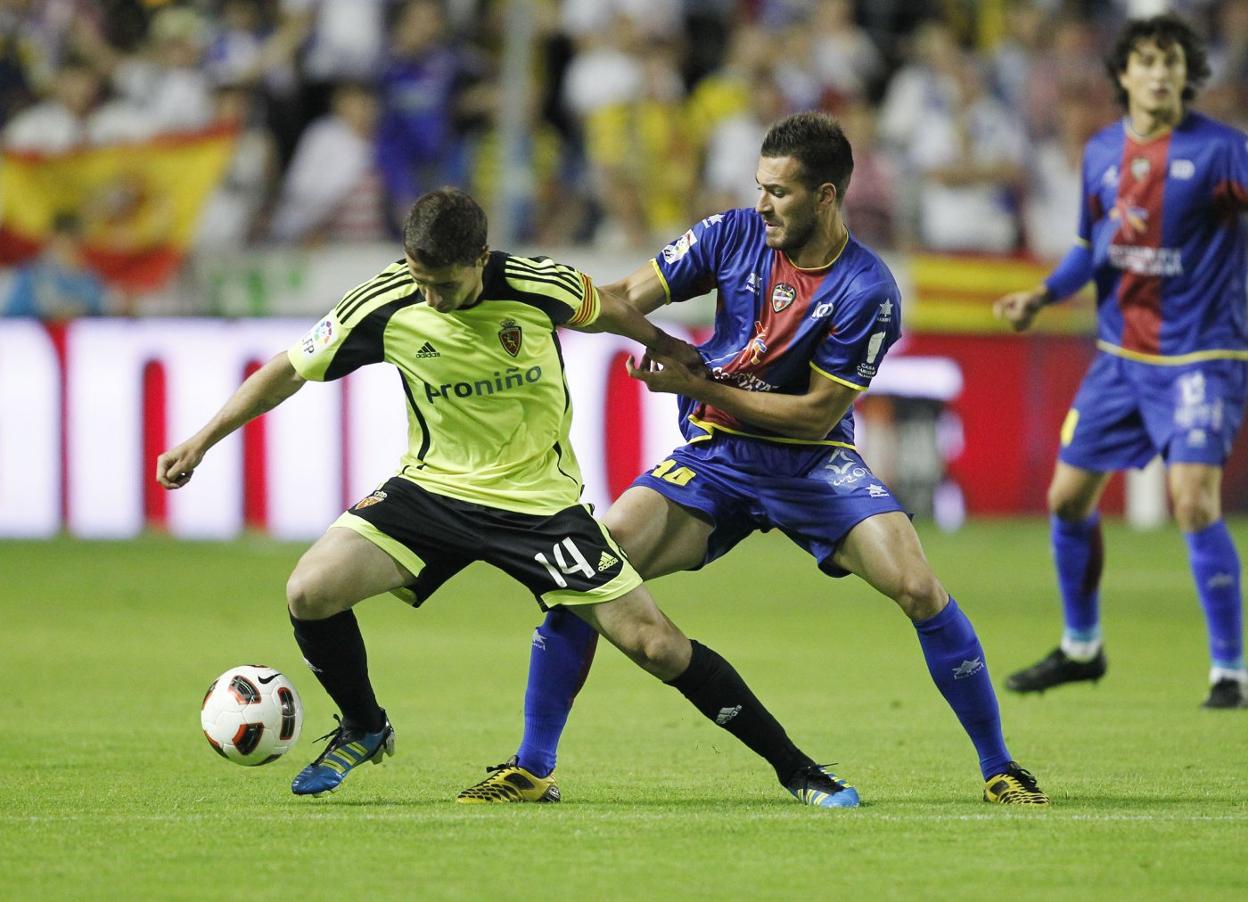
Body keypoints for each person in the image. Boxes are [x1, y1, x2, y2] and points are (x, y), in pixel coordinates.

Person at [156, 187, 857, 807]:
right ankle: (365, 726)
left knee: (656, 645)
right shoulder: (385, 302)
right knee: (310, 591)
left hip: (539, 505)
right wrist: (201, 440)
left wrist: (664, 343)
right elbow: (287, 370)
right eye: (421, 281)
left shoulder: (538, 285)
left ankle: (799, 771)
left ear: (481, 259)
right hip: (432, 491)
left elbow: (609, 308)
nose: (432, 298)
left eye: (445, 284)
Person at [454, 112, 1049, 806]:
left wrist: (700, 384)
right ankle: (532, 767)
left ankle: (1000, 768)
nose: (761, 203)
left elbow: (816, 414)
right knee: (590, 571)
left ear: (825, 196)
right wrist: (527, 304)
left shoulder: (867, 289)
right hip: (719, 456)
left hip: (812, 462)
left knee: (918, 587)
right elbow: (621, 297)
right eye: (759, 186)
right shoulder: (730, 234)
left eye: (779, 192)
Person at [994, 14, 1248, 709]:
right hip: (1120, 360)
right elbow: (1091, 245)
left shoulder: (1224, 150)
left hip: (1200, 358)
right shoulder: (1103, 150)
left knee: (1192, 500)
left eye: (1172, 62)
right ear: (1125, 75)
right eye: (1147, 61)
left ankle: (1230, 671)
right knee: (1066, 500)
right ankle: (1082, 646)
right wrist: (1043, 295)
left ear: (1187, 75)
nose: (1160, 74)